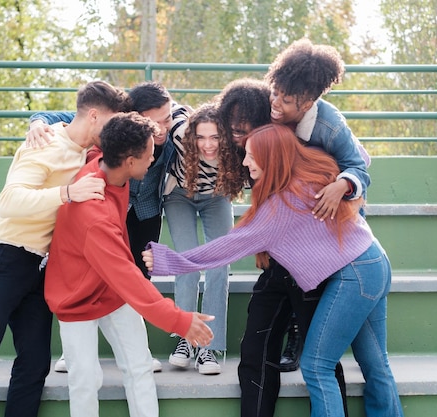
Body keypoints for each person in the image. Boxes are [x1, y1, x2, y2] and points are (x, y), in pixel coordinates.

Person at [143, 123, 404, 417]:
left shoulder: (279, 209)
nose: (244, 162)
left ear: (271, 157)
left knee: (317, 366)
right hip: (375, 262)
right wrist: (345, 180)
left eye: (251, 156)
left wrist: (169, 261)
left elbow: (224, 248)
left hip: (353, 276)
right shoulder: (310, 171)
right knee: (376, 363)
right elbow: (359, 154)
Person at [0, 80, 131, 417]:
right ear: (94, 116)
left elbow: (75, 115)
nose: (115, 134)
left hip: (36, 265)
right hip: (0, 257)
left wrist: (38, 117)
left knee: (36, 364)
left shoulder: (86, 146)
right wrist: (67, 193)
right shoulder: (46, 144)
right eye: (111, 123)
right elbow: (9, 201)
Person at [44, 111, 214, 417]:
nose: (153, 159)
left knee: (139, 369)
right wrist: (180, 321)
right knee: (85, 381)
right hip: (76, 297)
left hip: (111, 292)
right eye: (149, 154)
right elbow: (130, 279)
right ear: (130, 161)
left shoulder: (106, 161)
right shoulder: (94, 217)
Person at [27, 81, 190, 373]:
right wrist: (37, 121)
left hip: (147, 210)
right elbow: (65, 117)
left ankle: (138, 349)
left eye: (168, 117)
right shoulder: (118, 121)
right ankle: (73, 348)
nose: (165, 127)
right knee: (94, 268)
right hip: (112, 201)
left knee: (139, 272)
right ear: (135, 118)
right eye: (157, 122)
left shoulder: (174, 124)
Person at [216, 76, 352, 416]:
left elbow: (355, 162)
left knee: (322, 361)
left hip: (315, 264)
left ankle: (297, 331)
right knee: (255, 352)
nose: (239, 137)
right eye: (234, 130)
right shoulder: (248, 153)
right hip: (278, 264)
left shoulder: (297, 138)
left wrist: (347, 187)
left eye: (246, 129)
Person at [164, 102, 246, 375]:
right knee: (187, 260)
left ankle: (208, 348)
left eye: (214, 137)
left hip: (216, 198)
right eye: (200, 137)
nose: (207, 145)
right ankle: (185, 340)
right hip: (179, 196)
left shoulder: (236, 149)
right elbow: (171, 108)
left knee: (218, 266)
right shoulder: (179, 134)